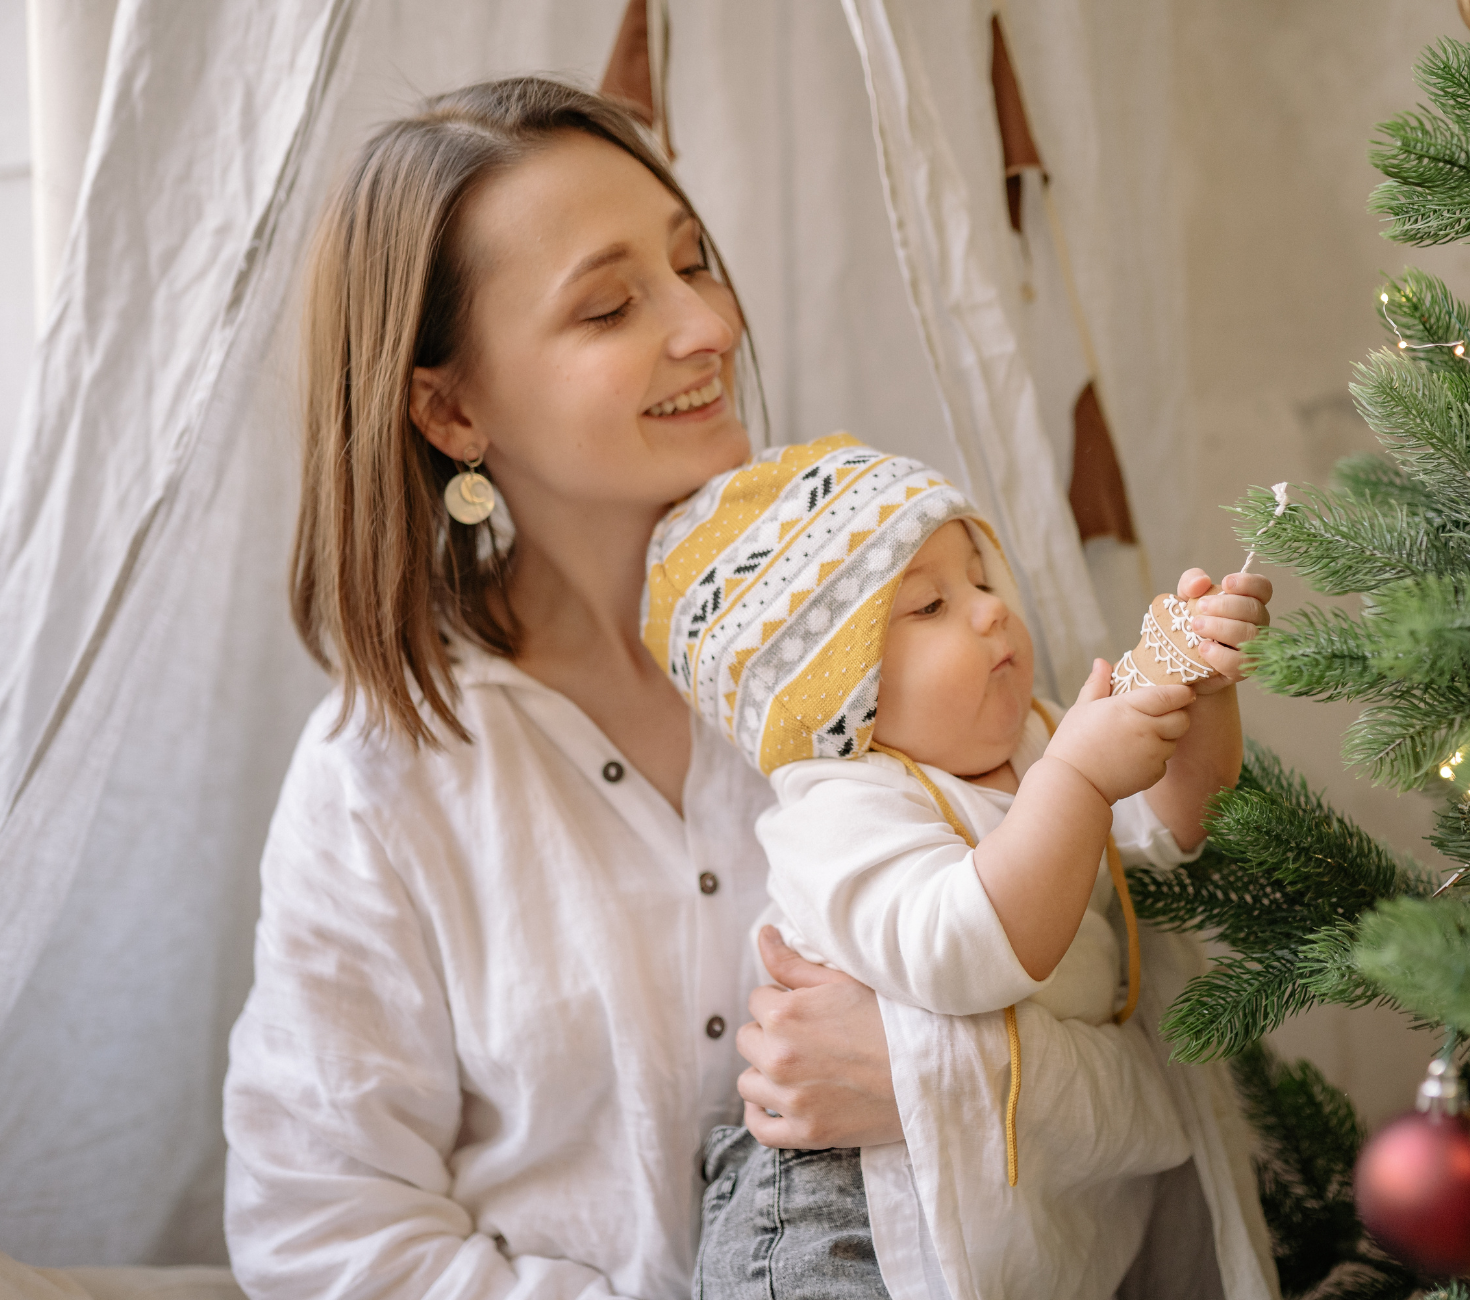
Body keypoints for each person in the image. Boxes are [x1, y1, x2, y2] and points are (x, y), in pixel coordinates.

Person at [223, 75, 1277, 1299]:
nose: (706, 326)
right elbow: (326, 1239)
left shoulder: (904, 640)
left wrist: (949, 1079)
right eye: (611, 306)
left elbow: (1169, 1077)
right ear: (451, 408)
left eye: (692, 264)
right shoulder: (382, 775)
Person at [642, 435, 1274, 1300]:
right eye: (930, 606)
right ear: (836, 692)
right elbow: (963, 952)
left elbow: (1173, 827)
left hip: (987, 1190)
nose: (988, 611)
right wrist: (1079, 778)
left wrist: (1202, 696)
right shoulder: (837, 807)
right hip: (839, 1221)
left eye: (980, 579)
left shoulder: (1034, 741)